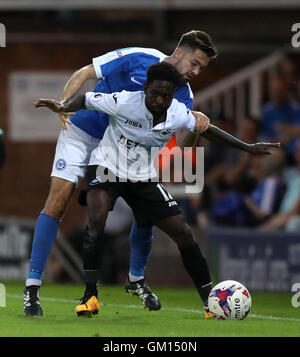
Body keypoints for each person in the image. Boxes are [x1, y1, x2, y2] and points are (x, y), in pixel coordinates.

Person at [36, 62, 281, 318]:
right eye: (154, 93)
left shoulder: (177, 112)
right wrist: (63, 105)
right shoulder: (125, 101)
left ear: (173, 94)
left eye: (166, 95)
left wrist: (247, 147)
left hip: (143, 177)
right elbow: (86, 98)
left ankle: (209, 302)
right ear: (146, 88)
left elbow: (206, 130)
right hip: (106, 166)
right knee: (96, 218)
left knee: (183, 231)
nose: (159, 99)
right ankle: (90, 297)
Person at [23, 30, 219, 316]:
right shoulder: (140, 56)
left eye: (202, 68)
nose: (196, 71)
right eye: (195, 63)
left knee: (149, 208)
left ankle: (136, 279)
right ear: (179, 53)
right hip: (82, 132)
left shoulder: (184, 95)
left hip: (122, 148)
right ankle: (32, 288)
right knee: (58, 201)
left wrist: (197, 129)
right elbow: (86, 72)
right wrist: (64, 106)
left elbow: (184, 143)